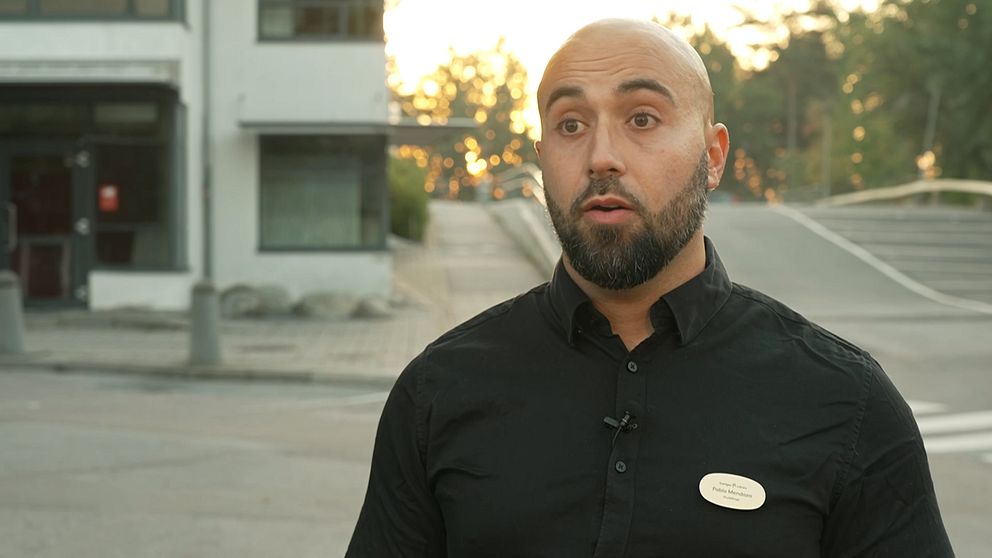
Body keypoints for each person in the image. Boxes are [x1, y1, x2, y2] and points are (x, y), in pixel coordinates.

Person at [346, 19, 954, 557]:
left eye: (642, 119)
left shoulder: (847, 403)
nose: (601, 156)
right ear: (542, 157)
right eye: (570, 124)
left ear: (713, 156)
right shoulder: (438, 392)